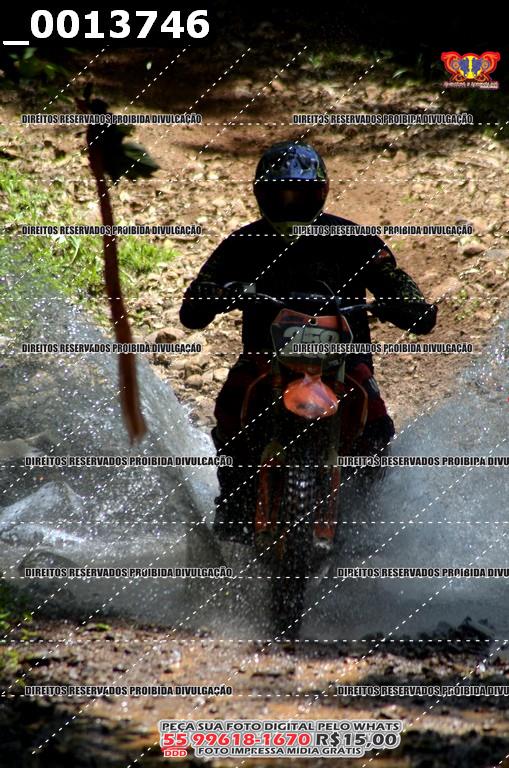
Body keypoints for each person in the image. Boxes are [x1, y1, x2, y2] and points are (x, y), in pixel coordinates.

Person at [179, 141, 437, 542]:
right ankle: (233, 501)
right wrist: (212, 294)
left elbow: (398, 284)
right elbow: (193, 310)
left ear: (321, 193)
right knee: (232, 403)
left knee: (377, 427)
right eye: (280, 195)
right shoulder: (243, 243)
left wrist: (404, 302)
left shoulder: (354, 240)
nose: (290, 204)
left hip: (344, 362)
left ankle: (372, 518)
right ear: (261, 195)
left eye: (299, 195)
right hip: (266, 360)